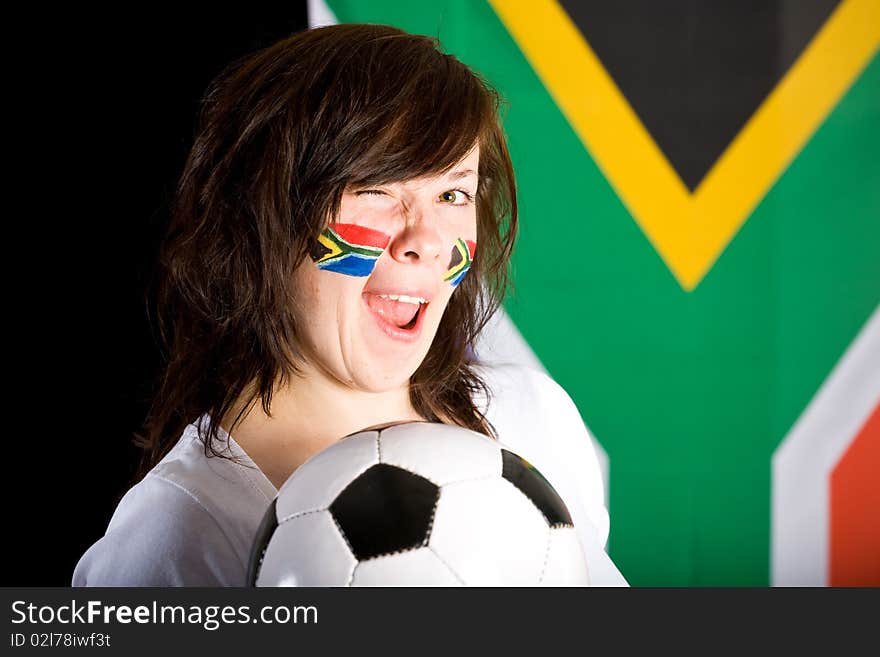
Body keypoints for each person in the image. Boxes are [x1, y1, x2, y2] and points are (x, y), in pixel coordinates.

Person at [72, 23, 628, 586]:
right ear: (259, 215)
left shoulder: (535, 417)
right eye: (375, 188)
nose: (427, 239)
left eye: (453, 194)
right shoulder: (174, 538)